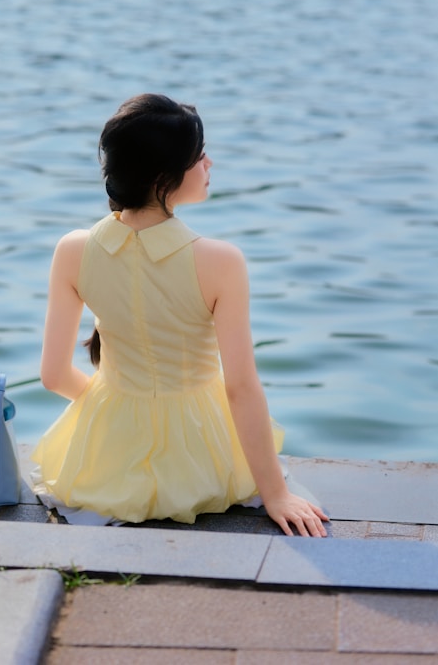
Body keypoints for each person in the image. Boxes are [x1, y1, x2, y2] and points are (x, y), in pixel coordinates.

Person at [31, 94, 329, 536]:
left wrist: (110, 412)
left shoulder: (73, 250)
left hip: (105, 464)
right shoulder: (219, 261)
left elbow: (54, 377)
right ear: (162, 177)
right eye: (198, 155)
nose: (209, 162)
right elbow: (241, 388)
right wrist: (276, 494)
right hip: (202, 456)